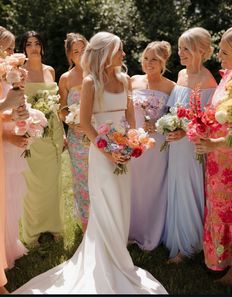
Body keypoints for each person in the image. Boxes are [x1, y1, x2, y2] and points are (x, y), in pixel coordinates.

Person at [13, 31, 168, 294]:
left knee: (121, 204)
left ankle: (118, 255)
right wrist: (107, 150)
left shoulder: (124, 79)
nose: (123, 55)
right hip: (102, 152)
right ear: (106, 53)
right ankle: (105, 262)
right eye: (119, 50)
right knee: (105, 205)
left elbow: (130, 118)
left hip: (124, 151)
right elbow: (85, 123)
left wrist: (133, 141)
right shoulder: (90, 82)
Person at [163, 27, 217, 264]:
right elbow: (174, 109)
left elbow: (209, 120)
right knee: (174, 186)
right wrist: (170, 126)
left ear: (201, 51)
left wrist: (184, 131)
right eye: (180, 48)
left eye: (186, 48)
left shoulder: (208, 80)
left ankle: (189, 245)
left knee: (189, 189)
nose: (181, 53)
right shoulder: (182, 75)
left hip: (192, 145)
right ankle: (174, 239)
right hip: (176, 145)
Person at [195, 26, 232, 286]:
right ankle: (221, 258)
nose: (219, 55)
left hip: (231, 158)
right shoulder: (228, 76)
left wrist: (215, 143)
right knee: (219, 210)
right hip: (216, 161)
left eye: (224, 52)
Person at [128, 41, 175, 250]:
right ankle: (131, 231)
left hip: (157, 145)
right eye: (146, 58)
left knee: (154, 187)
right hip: (135, 140)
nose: (148, 63)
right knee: (133, 186)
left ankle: (153, 232)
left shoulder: (171, 86)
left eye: (154, 59)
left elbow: (173, 118)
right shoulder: (133, 81)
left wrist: (157, 125)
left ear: (163, 61)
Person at [20, 31, 65, 246]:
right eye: (29, 44)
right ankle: (32, 233)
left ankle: (54, 227)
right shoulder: (19, 72)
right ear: (24, 48)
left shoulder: (50, 71)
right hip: (30, 135)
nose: (34, 48)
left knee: (51, 184)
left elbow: (55, 106)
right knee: (32, 185)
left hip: (52, 135)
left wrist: (63, 132)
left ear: (43, 47)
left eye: (37, 43)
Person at [0, 26, 29, 294]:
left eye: (10, 49)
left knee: (7, 203)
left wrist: (21, 117)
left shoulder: (6, 76)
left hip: (4, 148)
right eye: (5, 48)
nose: (10, 54)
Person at [59, 33, 89, 233]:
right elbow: (61, 109)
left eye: (83, 50)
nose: (80, 54)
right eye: (75, 52)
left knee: (100, 179)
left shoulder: (98, 73)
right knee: (81, 181)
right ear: (70, 55)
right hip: (77, 138)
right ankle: (87, 223)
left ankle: (105, 220)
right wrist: (71, 121)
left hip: (98, 135)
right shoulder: (66, 78)